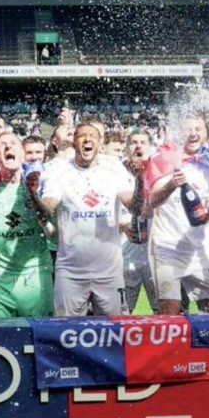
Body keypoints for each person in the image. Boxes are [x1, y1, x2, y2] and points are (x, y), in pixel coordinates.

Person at [34, 122, 140, 316]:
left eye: (93, 136)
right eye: (82, 135)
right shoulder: (59, 171)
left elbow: (133, 205)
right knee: (66, 333)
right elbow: (47, 208)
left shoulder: (114, 168)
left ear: (99, 144)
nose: (87, 139)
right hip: (71, 272)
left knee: (114, 334)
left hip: (109, 272)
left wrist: (140, 179)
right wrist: (33, 195)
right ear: (74, 143)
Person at [146, 116, 209, 315]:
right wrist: (171, 185)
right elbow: (153, 202)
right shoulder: (162, 160)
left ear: (207, 134)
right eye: (187, 129)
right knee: (170, 311)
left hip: (201, 250)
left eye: (198, 129)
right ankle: (172, 347)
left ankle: (208, 348)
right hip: (167, 248)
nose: (192, 133)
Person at [0, 133, 53, 318]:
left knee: (39, 340)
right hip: (1, 276)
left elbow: (53, 234)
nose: (8, 147)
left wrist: (34, 197)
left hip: (36, 274)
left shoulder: (38, 185)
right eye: (2, 145)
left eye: (13, 143)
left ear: (22, 153)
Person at [120, 131, 157, 313]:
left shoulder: (158, 173)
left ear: (150, 147)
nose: (138, 146)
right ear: (127, 147)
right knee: (124, 311)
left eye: (143, 142)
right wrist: (121, 224)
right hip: (125, 252)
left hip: (154, 253)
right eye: (134, 142)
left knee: (162, 310)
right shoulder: (116, 173)